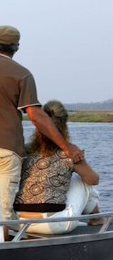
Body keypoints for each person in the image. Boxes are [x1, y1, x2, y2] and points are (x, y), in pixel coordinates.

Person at [0, 25, 84, 237]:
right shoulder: (22, 74)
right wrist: (66, 146)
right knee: (2, 212)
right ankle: (0, 256)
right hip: (4, 147)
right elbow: (35, 115)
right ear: (16, 47)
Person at [14, 100, 101, 234]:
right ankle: (97, 218)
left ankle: (96, 217)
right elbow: (93, 180)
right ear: (64, 126)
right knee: (82, 181)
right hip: (51, 224)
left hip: (18, 221)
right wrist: (81, 162)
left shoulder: (26, 150)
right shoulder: (70, 153)